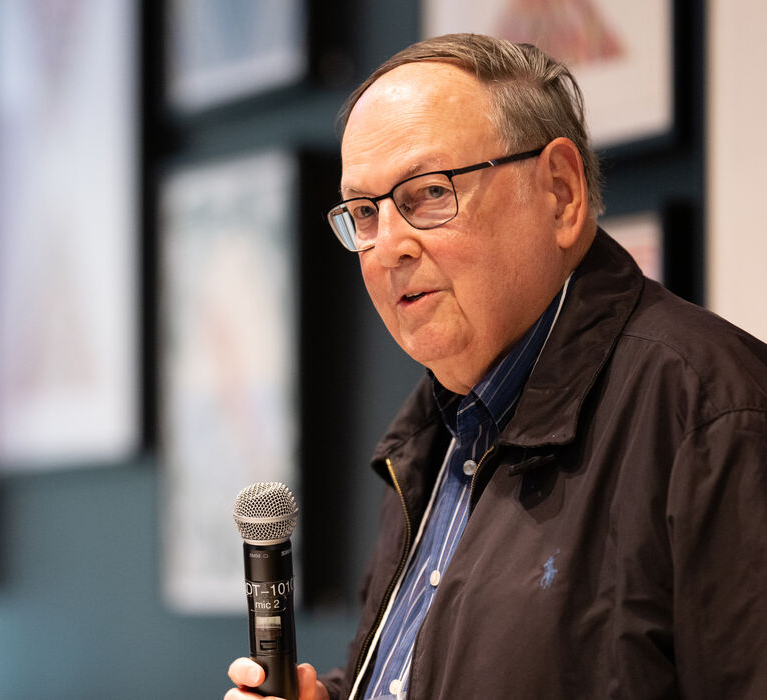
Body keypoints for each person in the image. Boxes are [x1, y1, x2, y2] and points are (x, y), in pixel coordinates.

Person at [227, 33, 767, 699]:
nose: (388, 246)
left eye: (427, 193)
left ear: (560, 193)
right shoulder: (432, 435)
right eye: (365, 213)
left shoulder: (714, 414)